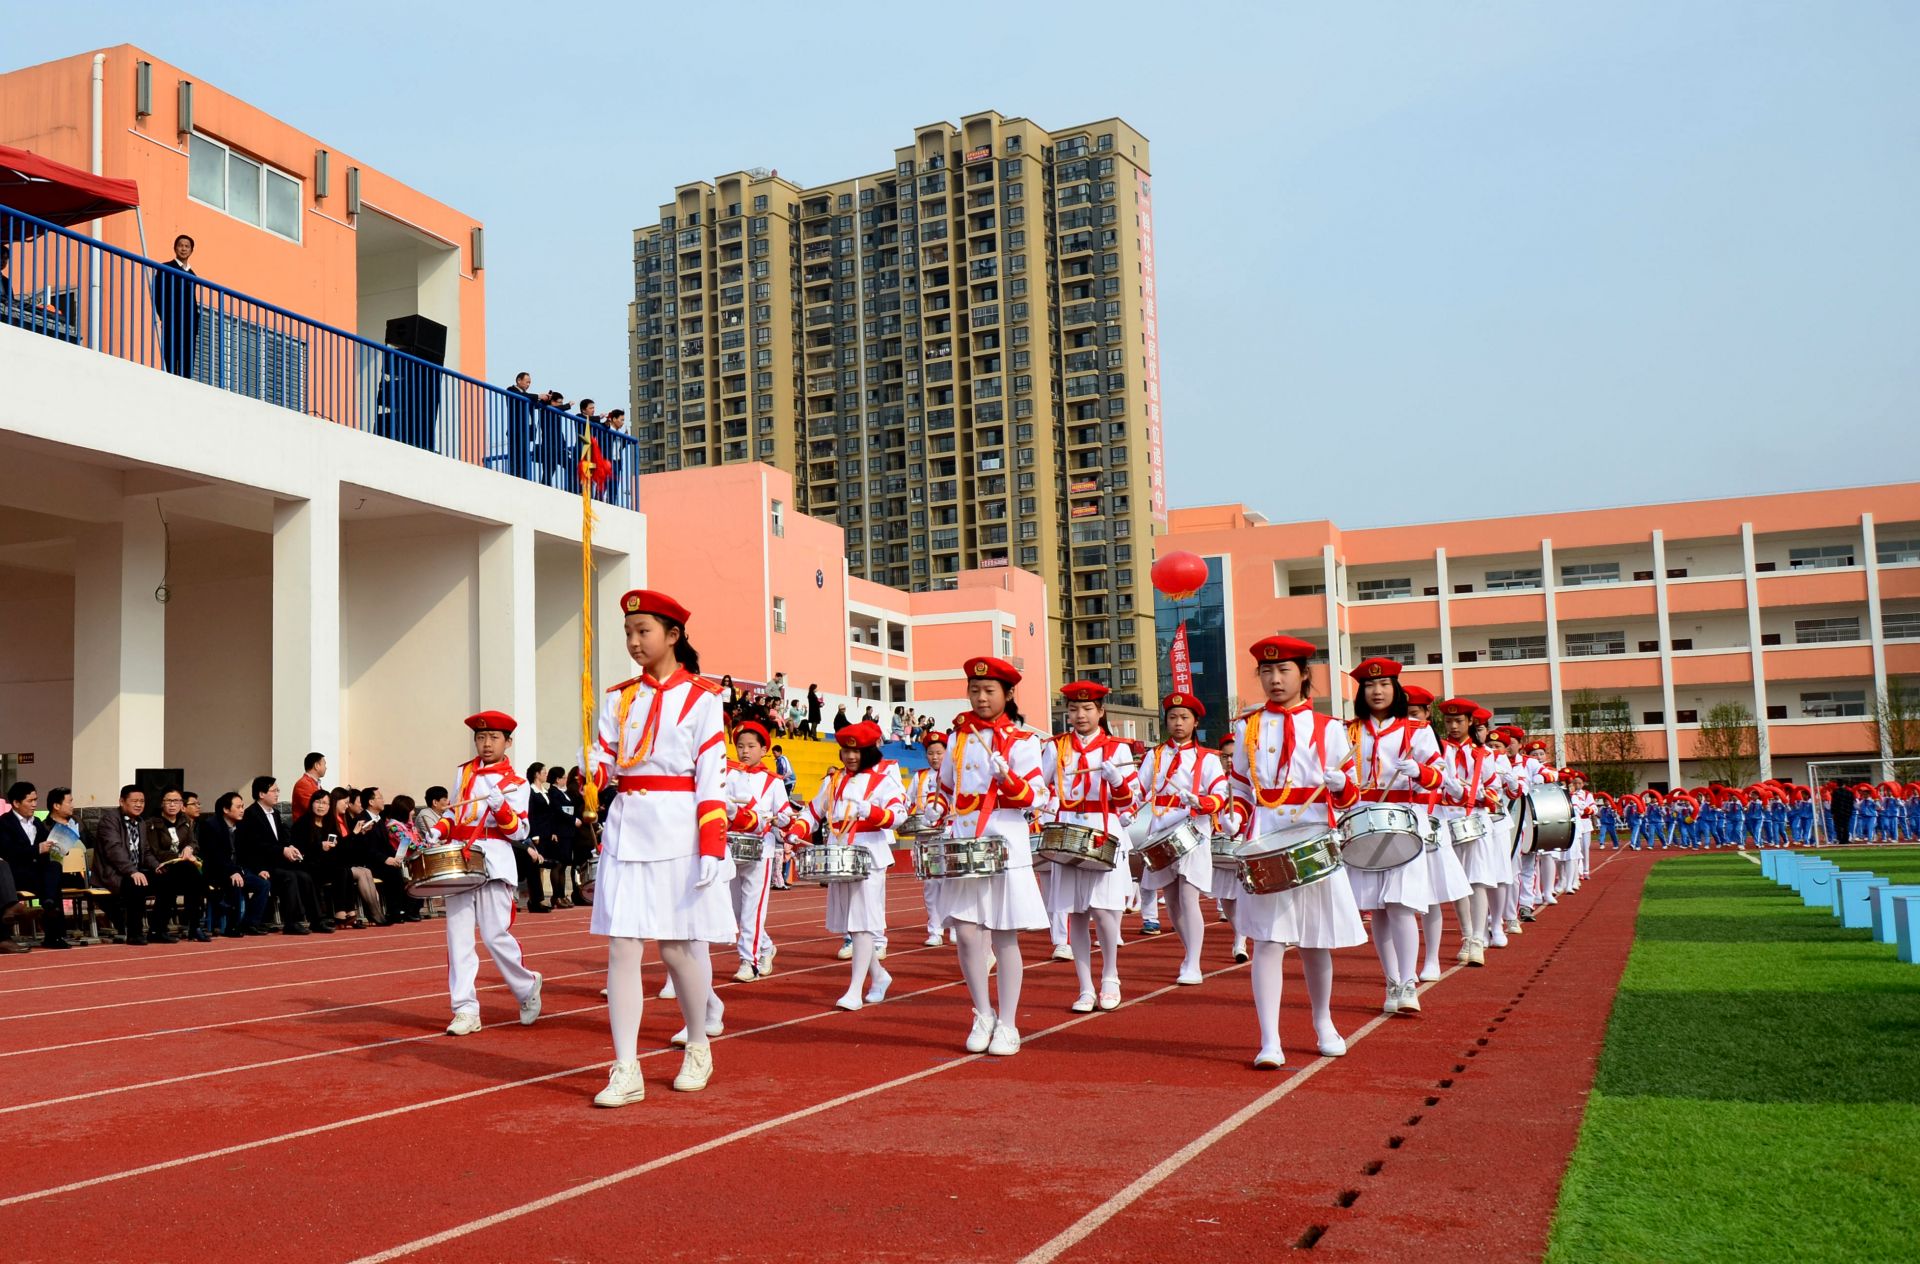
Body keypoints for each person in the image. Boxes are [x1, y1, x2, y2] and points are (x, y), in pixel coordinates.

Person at [589, 589, 736, 1106]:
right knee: (621, 946)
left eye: (643, 631)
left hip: (679, 830)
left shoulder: (703, 697)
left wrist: (712, 849)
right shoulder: (616, 697)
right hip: (628, 827)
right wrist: (594, 770)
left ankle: (698, 1044)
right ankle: (626, 1066)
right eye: (628, 632)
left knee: (675, 947)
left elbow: (711, 778)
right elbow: (608, 762)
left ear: (673, 636)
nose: (633, 641)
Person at [1222, 636, 1368, 1068]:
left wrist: (1342, 787)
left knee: (1315, 941)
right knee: (1267, 940)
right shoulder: (1246, 726)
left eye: (1283, 671)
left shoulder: (1330, 728)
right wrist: (1234, 816)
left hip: (1313, 837)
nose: (1274, 679)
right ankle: (1270, 1039)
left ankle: (1323, 1021)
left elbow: (1351, 797)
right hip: (1267, 836)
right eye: (1266, 672)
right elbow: (1241, 787)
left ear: (1303, 674)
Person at [929, 655, 1049, 1056]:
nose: (981, 698)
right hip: (965, 842)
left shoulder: (1025, 741)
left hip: (1005, 841)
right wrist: (935, 807)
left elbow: (1036, 797)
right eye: (974, 691)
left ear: (1008, 694)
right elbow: (946, 787)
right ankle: (982, 1012)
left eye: (989, 691)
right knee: (965, 932)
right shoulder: (959, 738)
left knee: (1004, 933)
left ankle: (1009, 1022)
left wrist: (1008, 778)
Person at [407, 711, 543, 1036]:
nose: (485, 744)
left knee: (496, 935)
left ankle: (526, 987)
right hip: (460, 862)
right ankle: (465, 1009)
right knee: (458, 938)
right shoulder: (463, 773)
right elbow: (455, 814)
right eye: (480, 738)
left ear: (508, 742)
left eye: (493, 738)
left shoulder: (517, 784)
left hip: (494, 860)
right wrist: (438, 831)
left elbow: (518, 830)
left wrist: (501, 807)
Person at [1345, 659, 1442, 1013]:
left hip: (1403, 819)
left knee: (1402, 905)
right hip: (1362, 820)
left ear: (1396, 689)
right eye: (1370, 686)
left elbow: (1439, 776)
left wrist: (1420, 770)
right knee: (1378, 909)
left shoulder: (1417, 730)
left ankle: (1408, 981)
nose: (1377, 691)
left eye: (1384, 684)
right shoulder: (1349, 731)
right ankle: (1391, 981)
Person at [787, 720, 905, 1010]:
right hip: (839, 853)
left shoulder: (883, 780)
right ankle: (879, 976)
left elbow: (899, 815)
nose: (851, 757)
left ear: (869, 752)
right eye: (845, 751)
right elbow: (814, 811)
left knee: (862, 923)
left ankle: (854, 990)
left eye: (858, 751)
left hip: (869, 853)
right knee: (853, 924)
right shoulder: (834, 779)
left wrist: (872, 811)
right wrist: (795, 831)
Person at [1043, 682, 1140, 1012]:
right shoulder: (1056, 748)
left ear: (1101, 711)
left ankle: (1110, 975)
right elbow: (1038, 787)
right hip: (1067, 830)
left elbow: (1130, 801)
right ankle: (1085, 985)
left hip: (1103, 827)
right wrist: (1039, 804)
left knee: (1103, 908)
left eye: (1087, 709)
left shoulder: (1118, 751)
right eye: (1073, 709)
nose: (1080, 715)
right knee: (1077, 912)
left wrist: (1117, 780)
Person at [1137, 691, 1228, 986]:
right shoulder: (1155, 755)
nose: (1178, 723)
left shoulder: (1209, 758)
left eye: (1184, 718)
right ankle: (1189, 951)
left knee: (1189, 897)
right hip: (1161, 829)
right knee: (1172, 900)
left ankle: (1194, 961)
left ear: (1195, 722)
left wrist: (1200, 800)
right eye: (1173, 717)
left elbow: (1220, 795)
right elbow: (1137, 790)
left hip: (1193, 830)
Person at [726, 722, 789, 982]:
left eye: (751, 746)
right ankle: (765, 947)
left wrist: (777, 819)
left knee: (753, 908)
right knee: (736, 910)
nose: (744, 751)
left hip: (760, 850)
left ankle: (747, 961)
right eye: (740, 746)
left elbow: (785, 814)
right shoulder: (726, 774)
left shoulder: (773, 782)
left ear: (764, 749)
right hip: (729, 847)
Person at [2, 782, 72, 949]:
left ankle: (51, 923)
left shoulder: (38, 823)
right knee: (52, 886)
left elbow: (49, 842)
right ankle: (52, 919)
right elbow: (8, 851)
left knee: (54, 868)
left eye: (36, 800)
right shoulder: (4, 823)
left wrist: (60, 846)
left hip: (36, 873)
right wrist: (36, 849)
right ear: (16, 803)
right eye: (30, 801)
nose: (34, 805)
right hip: (15, 873)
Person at [199, 790, 266, 936]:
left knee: (263, 884)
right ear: (226, 809)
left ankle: (250, 923)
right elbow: (214, 856)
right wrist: (232, 871)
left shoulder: (242, 826)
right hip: (217, 871)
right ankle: (232, 926)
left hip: (239, 869)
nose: (242, 810)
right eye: (238, 807)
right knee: (235, 883)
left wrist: (258, 869)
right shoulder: (211, 826)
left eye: (243, 806)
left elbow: (249, 853)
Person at [293, 790, 349, 930]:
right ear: (311, 804)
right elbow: (299, 849)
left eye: (325, 803)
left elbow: (341, 847)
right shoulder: (303, 823)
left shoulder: (330, 823)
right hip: (307, 863)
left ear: (330, 806)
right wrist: (320, 846)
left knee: (343, 870)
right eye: (317, 802)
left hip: (325, 863)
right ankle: (319, 919)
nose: (321, 806)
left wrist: (335, 846)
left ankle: (340, 912)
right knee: (315, 874)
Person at [151, 234, 199, 377]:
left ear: (191, 250)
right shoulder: (166, 267)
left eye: (187, 246)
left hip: (189, 326)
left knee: (187, 364)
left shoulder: (193, 275)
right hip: (172, 321)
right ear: (175, 248)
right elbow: (158, 294)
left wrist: (195, 323)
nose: (183, 249)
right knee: (171, 361)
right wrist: (165, 315)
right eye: (180, 245)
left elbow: (192, 301)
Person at [374, 795, 425, 924]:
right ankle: (408, 910)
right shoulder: (394, 826)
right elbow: (409, 844)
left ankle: (414, 910)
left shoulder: (407, 825)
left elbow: (417, 840)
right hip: (401, 861)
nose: (413, 813)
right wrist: (428, 846)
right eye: (411, 810)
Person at [293, 752, 327, 819]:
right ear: (316, 766)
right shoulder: (303, 784)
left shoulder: (314, 783)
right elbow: (314, 808)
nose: (326, 768)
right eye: (324, 764)